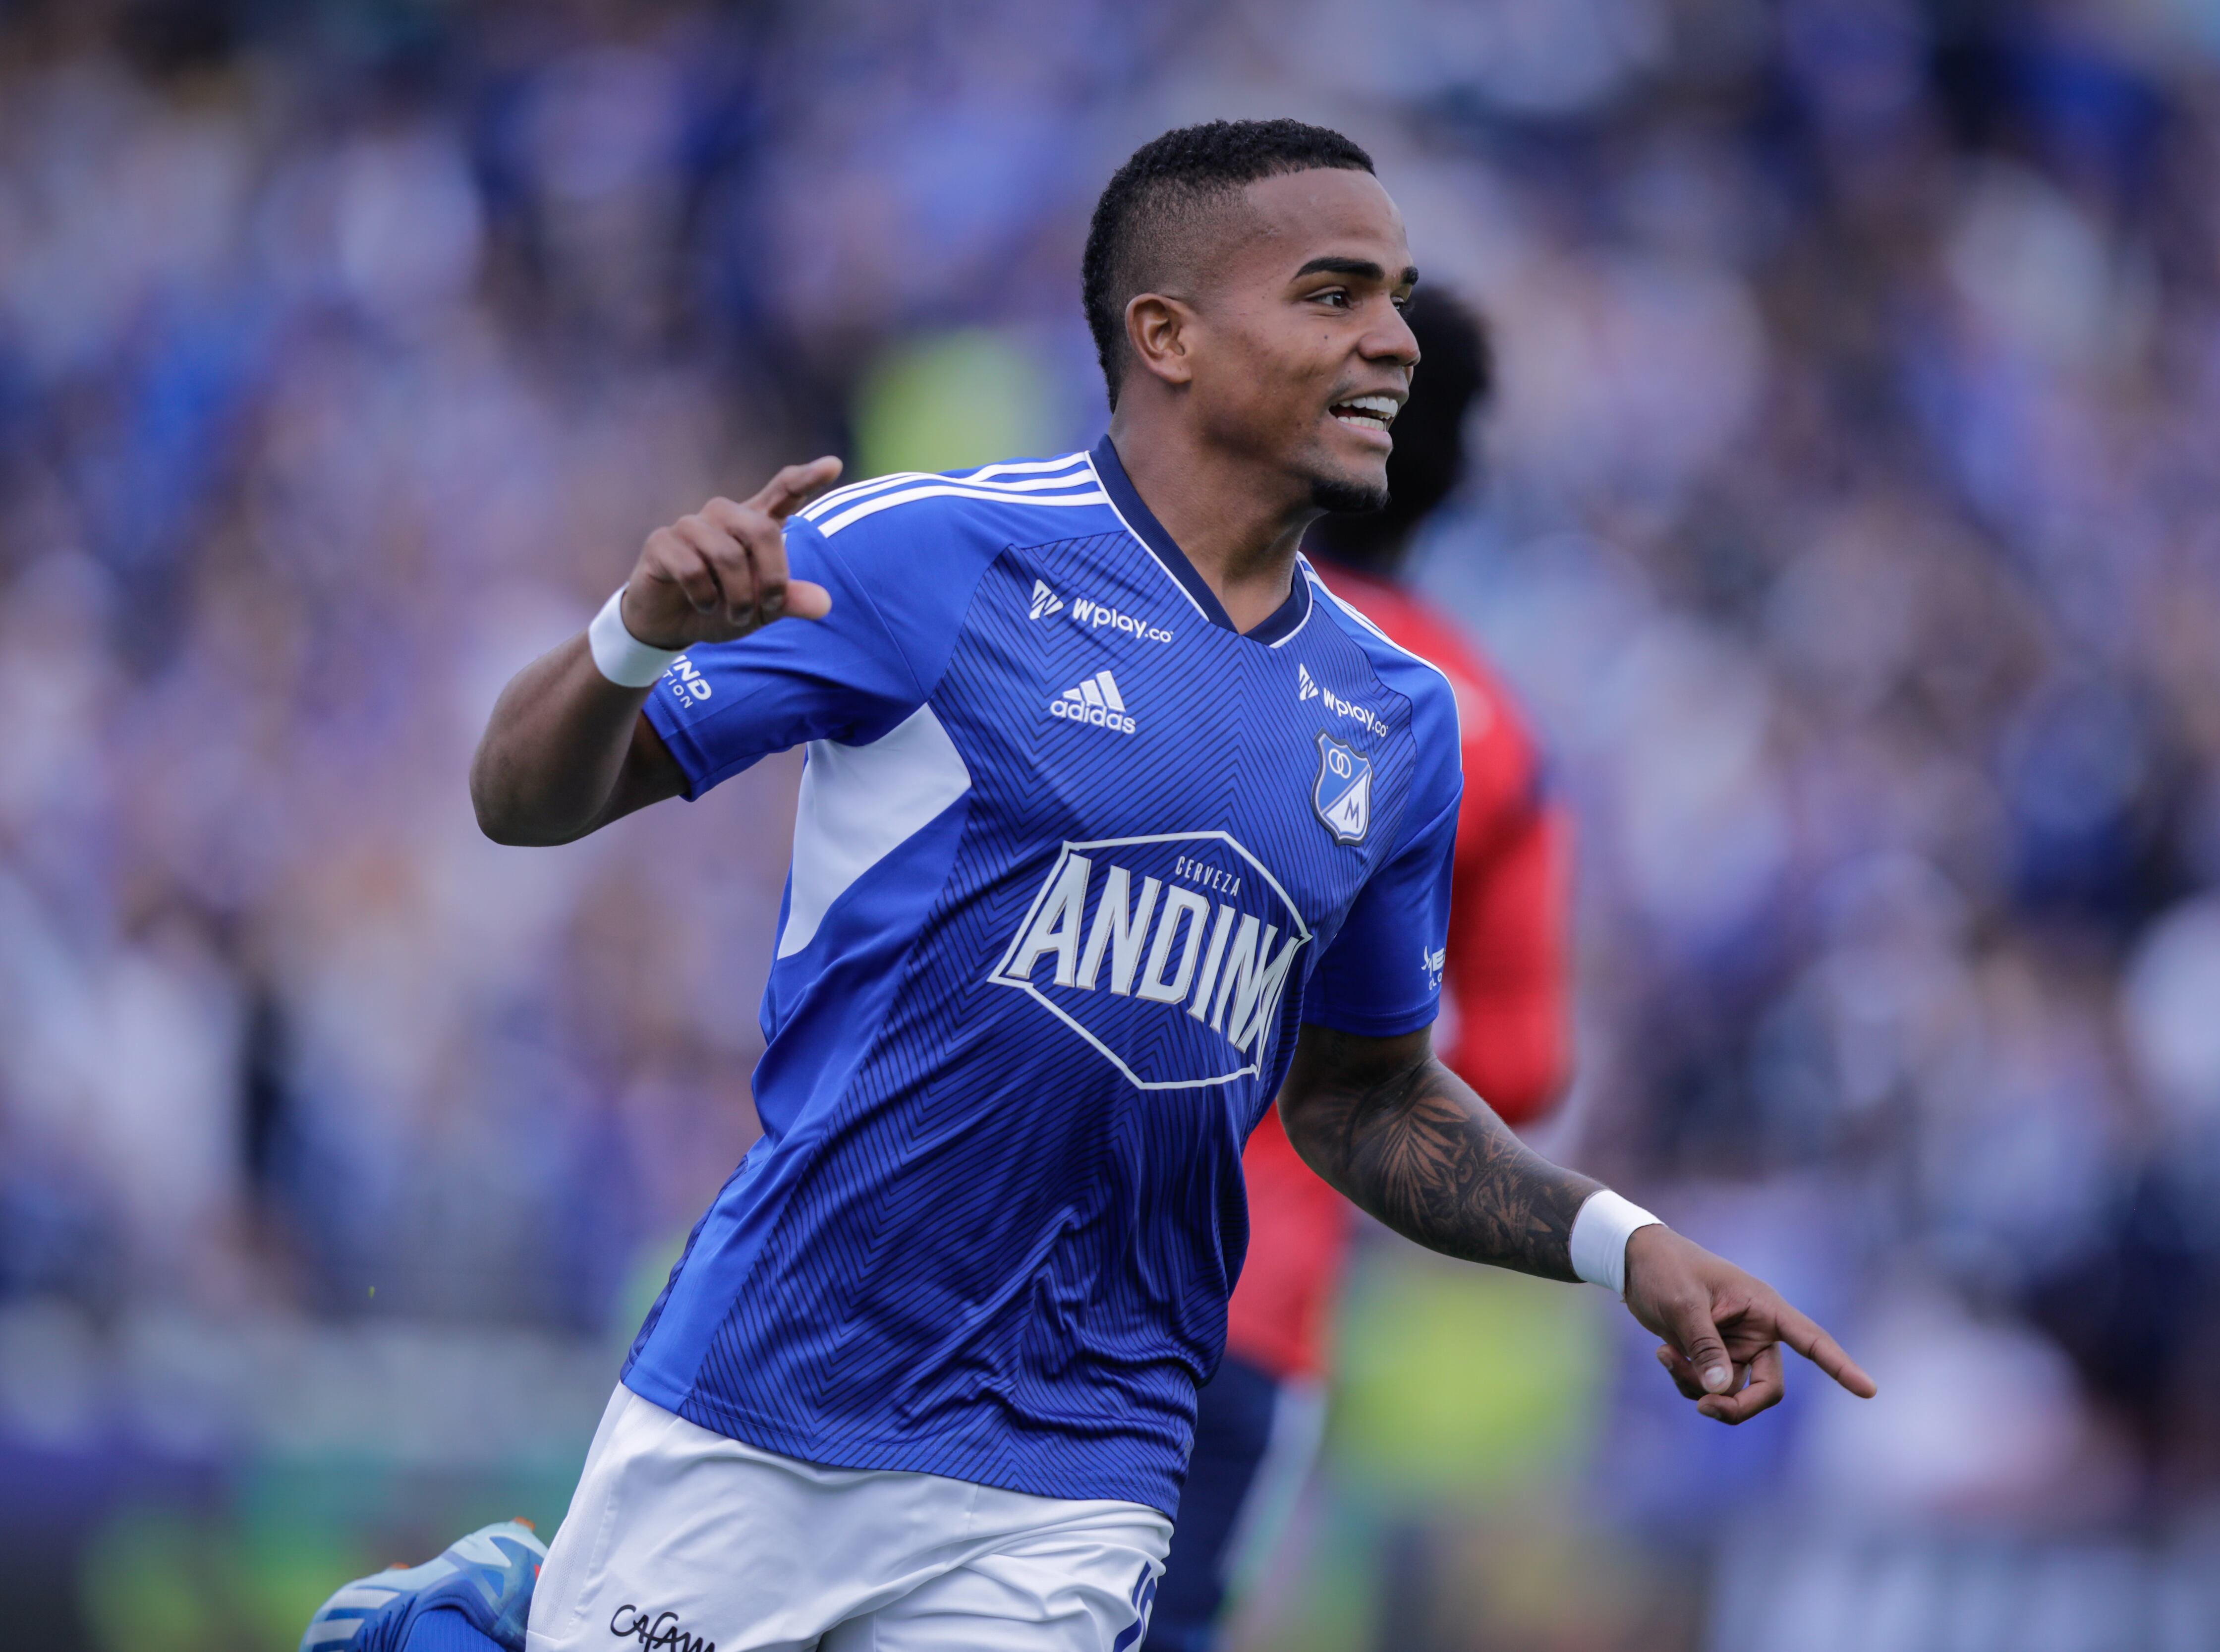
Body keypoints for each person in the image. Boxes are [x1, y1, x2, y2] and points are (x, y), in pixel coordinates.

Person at [302, 119, 1873, 1652]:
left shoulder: (1397, 720)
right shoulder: (931, 555)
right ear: (1167, 334)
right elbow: (520, 798)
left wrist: (1625, 1247)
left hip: (1082, 1461)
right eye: (1335, 295)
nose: (1394, 342)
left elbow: (1365, 1101)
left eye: (1397, 296)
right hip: (777, 1384)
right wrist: (633, 636)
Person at [1146, 287, 1571, 1652]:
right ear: (1454, 474)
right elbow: (1520, 1066)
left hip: (1004, 1252)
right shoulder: (1483, 730)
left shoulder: (1147, 631)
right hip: (1246, 1310)